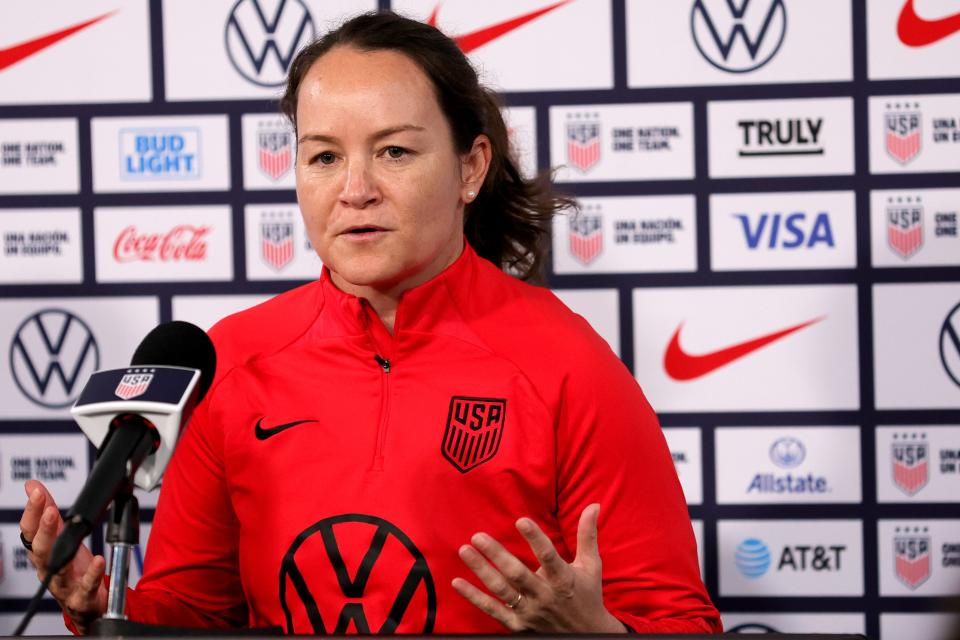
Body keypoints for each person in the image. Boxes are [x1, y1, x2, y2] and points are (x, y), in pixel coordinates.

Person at [20, 11, 720, 635]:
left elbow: (681, 622)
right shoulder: (229, 360)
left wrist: (594, 634)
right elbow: (197, 615)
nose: (355, 189)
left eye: (394, 152)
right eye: (324, 156)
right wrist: (103, 606)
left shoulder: (567, 362)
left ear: (471, 167)